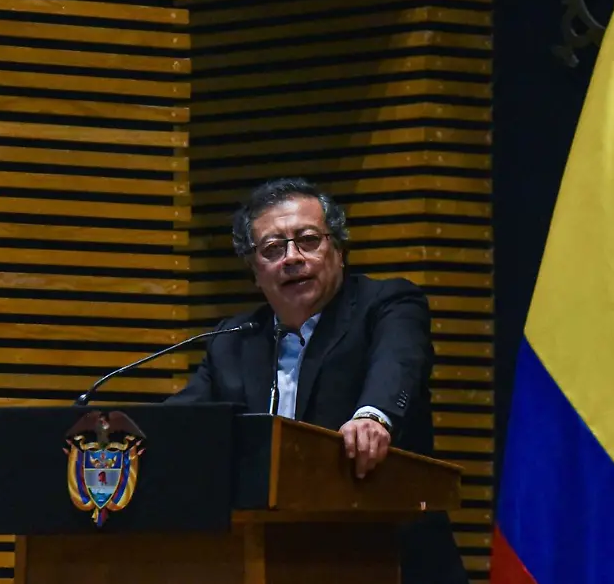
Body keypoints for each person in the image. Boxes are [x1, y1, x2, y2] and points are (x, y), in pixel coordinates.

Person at [166, 177, 467, 584]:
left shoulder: (386, 306)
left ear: (338, 250)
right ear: (255, 270)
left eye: (308, 240)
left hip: (389, 560)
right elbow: (182, 423)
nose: (292, 257)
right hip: (266, 562)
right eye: (273, 249)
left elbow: (398, 363)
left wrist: (372, 417)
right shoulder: (233, 341)